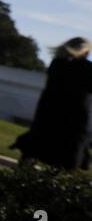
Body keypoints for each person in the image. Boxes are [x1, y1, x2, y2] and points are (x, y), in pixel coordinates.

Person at [13, 37, 92, 170]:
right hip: (73, 118)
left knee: (35, 147)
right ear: (85, 52)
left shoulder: (57, 64)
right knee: (67, 157)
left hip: (48, 112)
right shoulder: (87, 69)